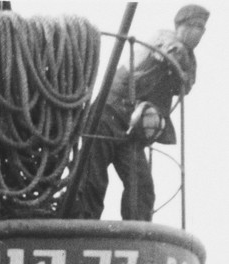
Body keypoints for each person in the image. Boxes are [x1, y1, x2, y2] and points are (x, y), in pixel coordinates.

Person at [75, 6, 209, 220]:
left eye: (202, 28)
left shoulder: (190, 59)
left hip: (131, 125)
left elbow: (186, 84)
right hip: (108, 112)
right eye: (194, 26)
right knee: (93, 179)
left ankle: (138, 233)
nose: (199, 32)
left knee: (141, 185)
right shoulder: (164, 38)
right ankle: (81, 229)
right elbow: (165, 51)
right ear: (180, 26)